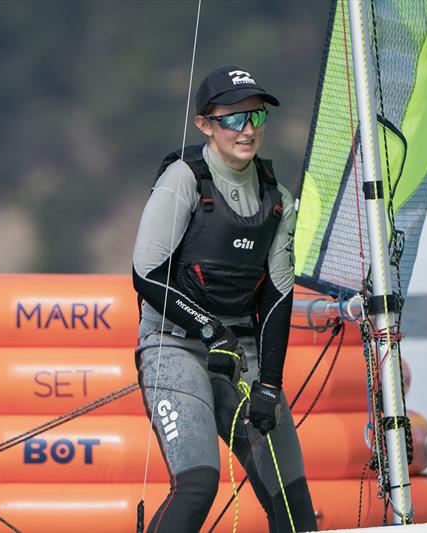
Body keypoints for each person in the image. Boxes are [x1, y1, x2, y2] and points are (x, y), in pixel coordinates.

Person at [132, 65, 317, 532]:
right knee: (198, 485)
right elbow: (146, 273)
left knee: (293, 505)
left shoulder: (280, 200)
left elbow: (277, 297)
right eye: (233, 119)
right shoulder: (184, 178)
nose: (247, 130)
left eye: (255, 117)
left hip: (241, 354)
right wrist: (209, 329)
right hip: (173, 345)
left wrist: (269, 385)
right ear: (205, 125)